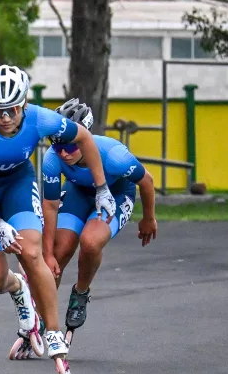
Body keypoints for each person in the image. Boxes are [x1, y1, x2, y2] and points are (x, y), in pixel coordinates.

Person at [0, 65, 117, 374]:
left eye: (12, 109)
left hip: (16, 185)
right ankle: (18, 289)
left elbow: (83, 137)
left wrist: (101, 188)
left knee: (31, 253)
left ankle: (53, 333)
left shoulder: (41, 118)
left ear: (24, 103)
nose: (5, 117)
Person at [40, 98, 157, 344]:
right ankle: (42, 316)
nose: (63, 153)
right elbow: (49, 206)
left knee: (91, 243)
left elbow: (146, 181)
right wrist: (47, 252)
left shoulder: (114, 156)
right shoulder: (53, 158)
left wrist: (148, 218)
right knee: (58, 252)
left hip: (115, 194)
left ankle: (80, 293)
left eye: (70, 146)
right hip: (78, 194)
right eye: (57, 145)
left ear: (85, 137)